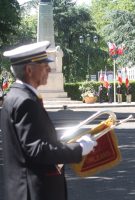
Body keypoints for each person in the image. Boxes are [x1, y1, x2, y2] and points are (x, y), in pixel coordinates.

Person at [1, 41, 97, 200]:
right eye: (44, 64)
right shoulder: (25, 101)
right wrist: (78, 149)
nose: (49, 69)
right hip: (34, 192)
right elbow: (36, 150)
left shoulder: (17, 96)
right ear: (29, 69)